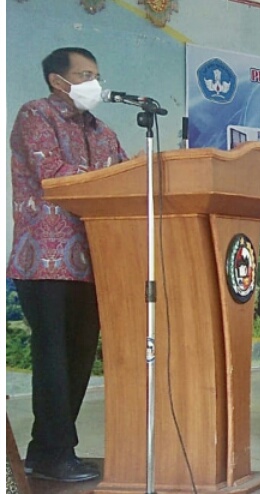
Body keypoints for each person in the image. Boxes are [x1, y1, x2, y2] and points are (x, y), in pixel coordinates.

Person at [8, 47, 128, 482]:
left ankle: (47, 452)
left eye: (96, 74)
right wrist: (113, 181)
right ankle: (56, 453)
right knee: (53, 358)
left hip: (95, 261)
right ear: (58, 80)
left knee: (78, 358)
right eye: (84, 75)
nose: (94, 83)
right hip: (46, 260)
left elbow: (128, 176)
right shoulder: (35, 115)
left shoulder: (103, 131)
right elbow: (55, 174)